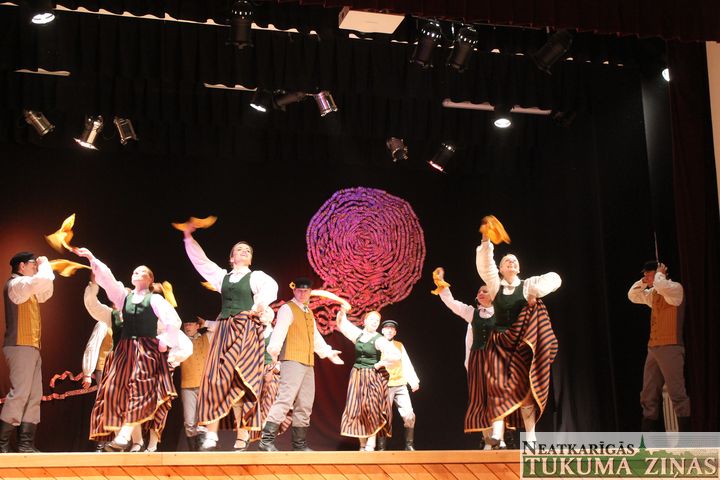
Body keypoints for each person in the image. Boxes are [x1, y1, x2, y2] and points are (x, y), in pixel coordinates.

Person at [74, 247, 191, 452]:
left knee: (139, 390)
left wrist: (164, 341)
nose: (137, 273)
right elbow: (109, 281)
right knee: (116, 391)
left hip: (146, 351)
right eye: (135, 271)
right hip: (125, 351)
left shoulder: (155, 299)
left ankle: (125, 436)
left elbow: (174, 321)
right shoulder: (124, 299)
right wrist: (93, 258)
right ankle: (129, 438)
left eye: (142, 271)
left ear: (150, 279)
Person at [181, 227, 278, 451]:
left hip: (246, 330)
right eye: (239, 249)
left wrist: (259, 305)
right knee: (216, 378)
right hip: (225, 330)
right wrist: (188, 238)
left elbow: (271, 287)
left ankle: (242, 435)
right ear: (231, 257)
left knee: (242, 380)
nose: (244, 251)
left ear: (250, 259)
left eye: (248, 251)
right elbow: (202, 262)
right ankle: (211, 434)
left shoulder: (256, 277)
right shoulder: (222, 277)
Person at [475, 235, 561, 447]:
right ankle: (497, 433)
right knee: (496, 386)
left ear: (519, 267)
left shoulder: (528, 284)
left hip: (521, 344)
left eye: (514, 261)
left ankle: (530, 437)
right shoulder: (494, 285)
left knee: (525, 390)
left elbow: (555, 278)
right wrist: (486, 241)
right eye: (507, 261)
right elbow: (485, 265)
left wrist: (536, 293)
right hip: (499, 344)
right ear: (500, 269)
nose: (511, 262)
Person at [258, 277, 344, 452]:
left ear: (310, 292)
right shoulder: (287, 308)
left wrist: (328, 353)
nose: (302, 293)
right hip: (292, 359)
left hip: (307, 362)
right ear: (294, 290)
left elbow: (315, 337)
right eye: (299, 290)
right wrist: (274, 351)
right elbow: (279, 331)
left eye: (306, 291)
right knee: (285, 399)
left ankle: (299, 445)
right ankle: (266, 441)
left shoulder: (308, 312)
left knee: (305, 403)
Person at [436, 272, 509, 449]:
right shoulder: (472, 313)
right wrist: (442, 286)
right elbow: (453, 304)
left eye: (485, 290)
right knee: (480, 400)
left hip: (495, 359)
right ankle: (488, 441)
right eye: (479, 291)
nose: (481, 293)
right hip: (477, 361)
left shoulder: (502, 314)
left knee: (497, 398)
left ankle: (499, 437)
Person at [0, 252, 55, 453]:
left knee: (33, 395)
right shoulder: (16, 284)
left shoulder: (28, 288)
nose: (35, 267)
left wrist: (44, 269)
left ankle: (25, 444)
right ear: (21, 266)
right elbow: (42, 280)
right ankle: (1, 444)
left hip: (31, 346)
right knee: (20, 394)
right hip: (19, 345)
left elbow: (46, 291)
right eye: (33, 264)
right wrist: (45, 264)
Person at [628, 260, 690, 432]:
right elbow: (633, 295)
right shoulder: (654, 293)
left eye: (648, 273)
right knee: (648, 396)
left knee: (677, 394)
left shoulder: (675, 289)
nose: (645, 276)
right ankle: (648, 441)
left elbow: (662, 286)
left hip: (670, 347)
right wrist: (644, 282)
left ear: (660, 273)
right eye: (644, 274)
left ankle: (687, 441)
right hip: (653, 349)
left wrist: (660, 274)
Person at [336, 308, 401, 451]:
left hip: (372, 376)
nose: (375, 322)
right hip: (357, 375)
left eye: (377, 320)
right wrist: (342, 311)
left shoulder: (380, 340)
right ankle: (362, 444)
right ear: (364, 321)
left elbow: (396, 355)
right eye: (372, 319)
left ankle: (371, 443)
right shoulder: (358, 335)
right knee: (358, 408)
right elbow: (343, 324)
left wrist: (381, 363)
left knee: (371, 408)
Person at [81, 275, 120, 451]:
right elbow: (93, 345)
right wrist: (87, 372)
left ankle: (117, 442)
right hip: (104, 368)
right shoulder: (105, 321)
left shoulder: (127, 322)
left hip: (121, 369)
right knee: (104, 404)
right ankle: (101, 442)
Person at [378, 319, 419, 451]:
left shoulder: (399, 345)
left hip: (400, 384)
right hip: (385, 384)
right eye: (387, 328)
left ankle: (409, 445)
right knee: (383, 415)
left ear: (395, 332)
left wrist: (413, 381)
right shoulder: (378, 344)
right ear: (382, 331)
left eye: (392, 329)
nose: (390, 330)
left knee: (409, 414)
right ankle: (381, 447)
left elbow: (406, 363)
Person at [179, 317, 211, 451]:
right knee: (189, 421)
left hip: (204, 385)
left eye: (190, 324)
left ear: (197, 326)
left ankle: (202, 450)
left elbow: (219, 328)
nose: (187, 327)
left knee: (203, 418)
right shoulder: (180, 341)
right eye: (186, 324)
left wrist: (206, 323)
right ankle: (193, 451)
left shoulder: (206, 338)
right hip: (187, 385)